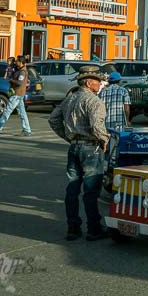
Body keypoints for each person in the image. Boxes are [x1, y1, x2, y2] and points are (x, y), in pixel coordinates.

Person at [49, 67, 109, 241]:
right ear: (89, 83)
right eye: (98, 81)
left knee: (72, 189)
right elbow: (97, 126)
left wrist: (68, 137)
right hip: (91, 148)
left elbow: (53, 119)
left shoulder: (69, 99)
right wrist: (105, 140)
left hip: (74, 147)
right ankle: (94, 228)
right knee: (91, 191)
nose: (100, 84)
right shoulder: (94, 101)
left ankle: (73, 227)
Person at [0, 55, 32, 136]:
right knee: (22, 113)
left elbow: (19, 83)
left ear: (21, 62)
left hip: (16, 94)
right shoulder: (19, 70)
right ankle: (27, 130)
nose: (16, 62)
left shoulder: (22, 72)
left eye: (17, 61)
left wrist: (11, 80)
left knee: (7, 111)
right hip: (18, 94)